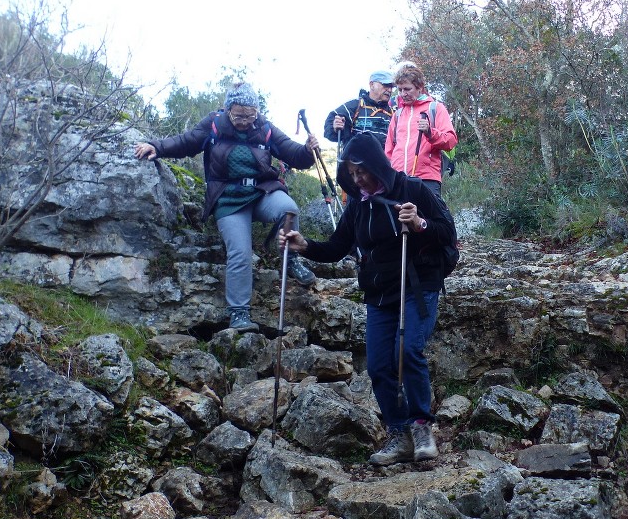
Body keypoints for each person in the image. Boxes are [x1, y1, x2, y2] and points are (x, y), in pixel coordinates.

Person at [279, 131, 452, 465]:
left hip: (417, 284)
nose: (357, 178)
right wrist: (306, 246)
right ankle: (399, 435)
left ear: (377, 165)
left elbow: (447, 232)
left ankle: (421, 427)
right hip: (379, 291)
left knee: (409, 351)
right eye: (352, 173)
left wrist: (418, 223)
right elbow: (337, 247)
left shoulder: (413, 190)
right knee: (378, 366)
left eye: (362, 171)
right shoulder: (358, 205)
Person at [134, 82, 318, 333]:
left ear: (257, 111)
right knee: (241, 253)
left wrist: (308, 151)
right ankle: (239, 313)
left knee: (288, 209)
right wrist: (157, 146)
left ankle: (291, 259)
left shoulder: (265, 128)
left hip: (261, 193)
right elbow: (186, 142)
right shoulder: (214, 124)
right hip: (228, 198)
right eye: (239, 114)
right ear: (228, 108)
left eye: (250, 114)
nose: (245, 120)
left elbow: (293, 153)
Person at [384, 63, 458, 199]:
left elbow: (451, 141)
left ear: (420, 88)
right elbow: (389, 150)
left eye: (407, 89)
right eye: (400, 90)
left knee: (430, 220)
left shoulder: (435, 108)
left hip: (427, 179)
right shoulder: (398, 114)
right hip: (398, 180)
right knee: (397, 220)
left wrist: (430, 133)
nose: (402, 94)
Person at [323, 70, 395, 158]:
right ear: (372, 84)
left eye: (391, 87)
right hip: (355, 166)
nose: (390, 90)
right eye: (385, 85)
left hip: (382, 168)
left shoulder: (393, 113)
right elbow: (330, 126)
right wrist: (334, 127)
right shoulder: (354, 106)